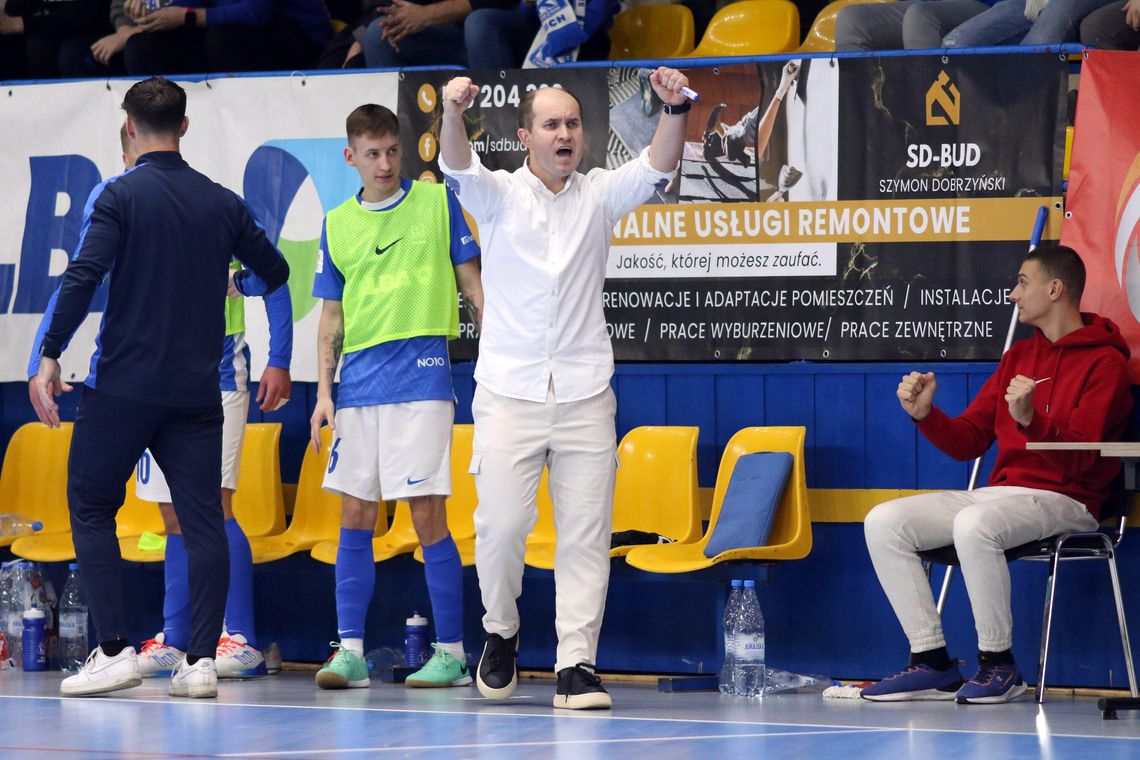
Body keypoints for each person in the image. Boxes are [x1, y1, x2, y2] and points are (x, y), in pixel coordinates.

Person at [28, 76, 289, 699]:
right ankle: (199, 662)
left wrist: (50, 354)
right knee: (203, 523)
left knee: (91, 509)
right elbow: (275, 270)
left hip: (122, 387)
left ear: (128, 128)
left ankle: (115, 650)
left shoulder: (119, 197)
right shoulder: (221, 202)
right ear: (185, 126)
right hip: (196, 393)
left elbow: (84, 275)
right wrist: (233, 282)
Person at [437, 67, 690, 710]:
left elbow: (658, 164)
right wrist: (452, 109)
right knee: (497, 529)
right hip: (507, 394)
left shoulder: (600, 195)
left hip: (583, 394)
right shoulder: (496, 195)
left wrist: (675, 107)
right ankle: (501, 632)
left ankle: (576, 663)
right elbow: (456, 162)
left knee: (584, 535)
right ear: (525, 136)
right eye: (550, 124)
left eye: (573, 123)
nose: (564, 133)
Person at [860, 244, 1132, 704]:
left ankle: (999, 665)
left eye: (1023, 282)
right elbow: (969, 440)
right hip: (1005, 496)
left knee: (975, 524)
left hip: (1071, 501)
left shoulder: (1106, 363)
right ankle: (932, 662)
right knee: (884, 521)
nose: (1013, 294)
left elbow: (1087, 461)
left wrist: (1031, 420)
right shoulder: (1017, 359)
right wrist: (926, 415)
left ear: (1055, 288)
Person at [100, 125, 295, 682]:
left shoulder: (212, 216)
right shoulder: (126, 220)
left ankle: (240, 638)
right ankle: (180, 635)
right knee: (170, 514)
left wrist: (279, 358)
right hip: (149, 384)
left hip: (217, 380)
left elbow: (271, 277)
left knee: (214, 505)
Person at [309, 103, 484, 691]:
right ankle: (351, 654)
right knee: (354, 513)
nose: (384, 164)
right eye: (372, 154)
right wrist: (323, 394)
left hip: (422, 376)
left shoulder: (436, 203)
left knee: (427, 513)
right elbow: (329, 319)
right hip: (357, 386)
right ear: (350, 156)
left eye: (391, 152)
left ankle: (454, 653)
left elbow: (473, 286)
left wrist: (504, 353)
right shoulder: (337, 224)